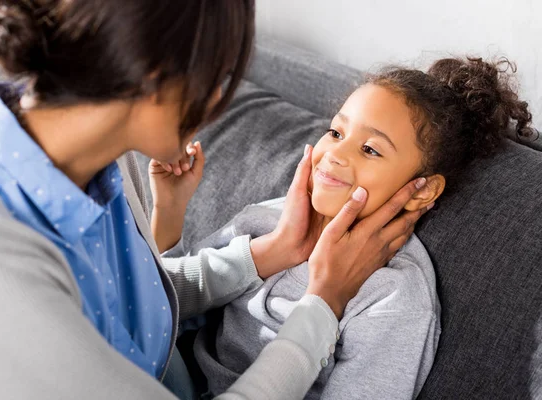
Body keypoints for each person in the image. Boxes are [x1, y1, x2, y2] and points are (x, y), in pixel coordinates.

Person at [0, 0, 431, 399]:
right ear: (154, 74)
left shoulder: (109, 165)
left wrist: (269, 253)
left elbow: (121, 305)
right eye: (217, 76)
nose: (219, 103)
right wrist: (323, 304)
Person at [153, 57, 533, 399]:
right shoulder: (271, 219)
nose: (335, 153)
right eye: (336, 133)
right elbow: (159, 302)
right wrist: (169, 213)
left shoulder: (391, 295)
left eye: (370, 149)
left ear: (423, 190)